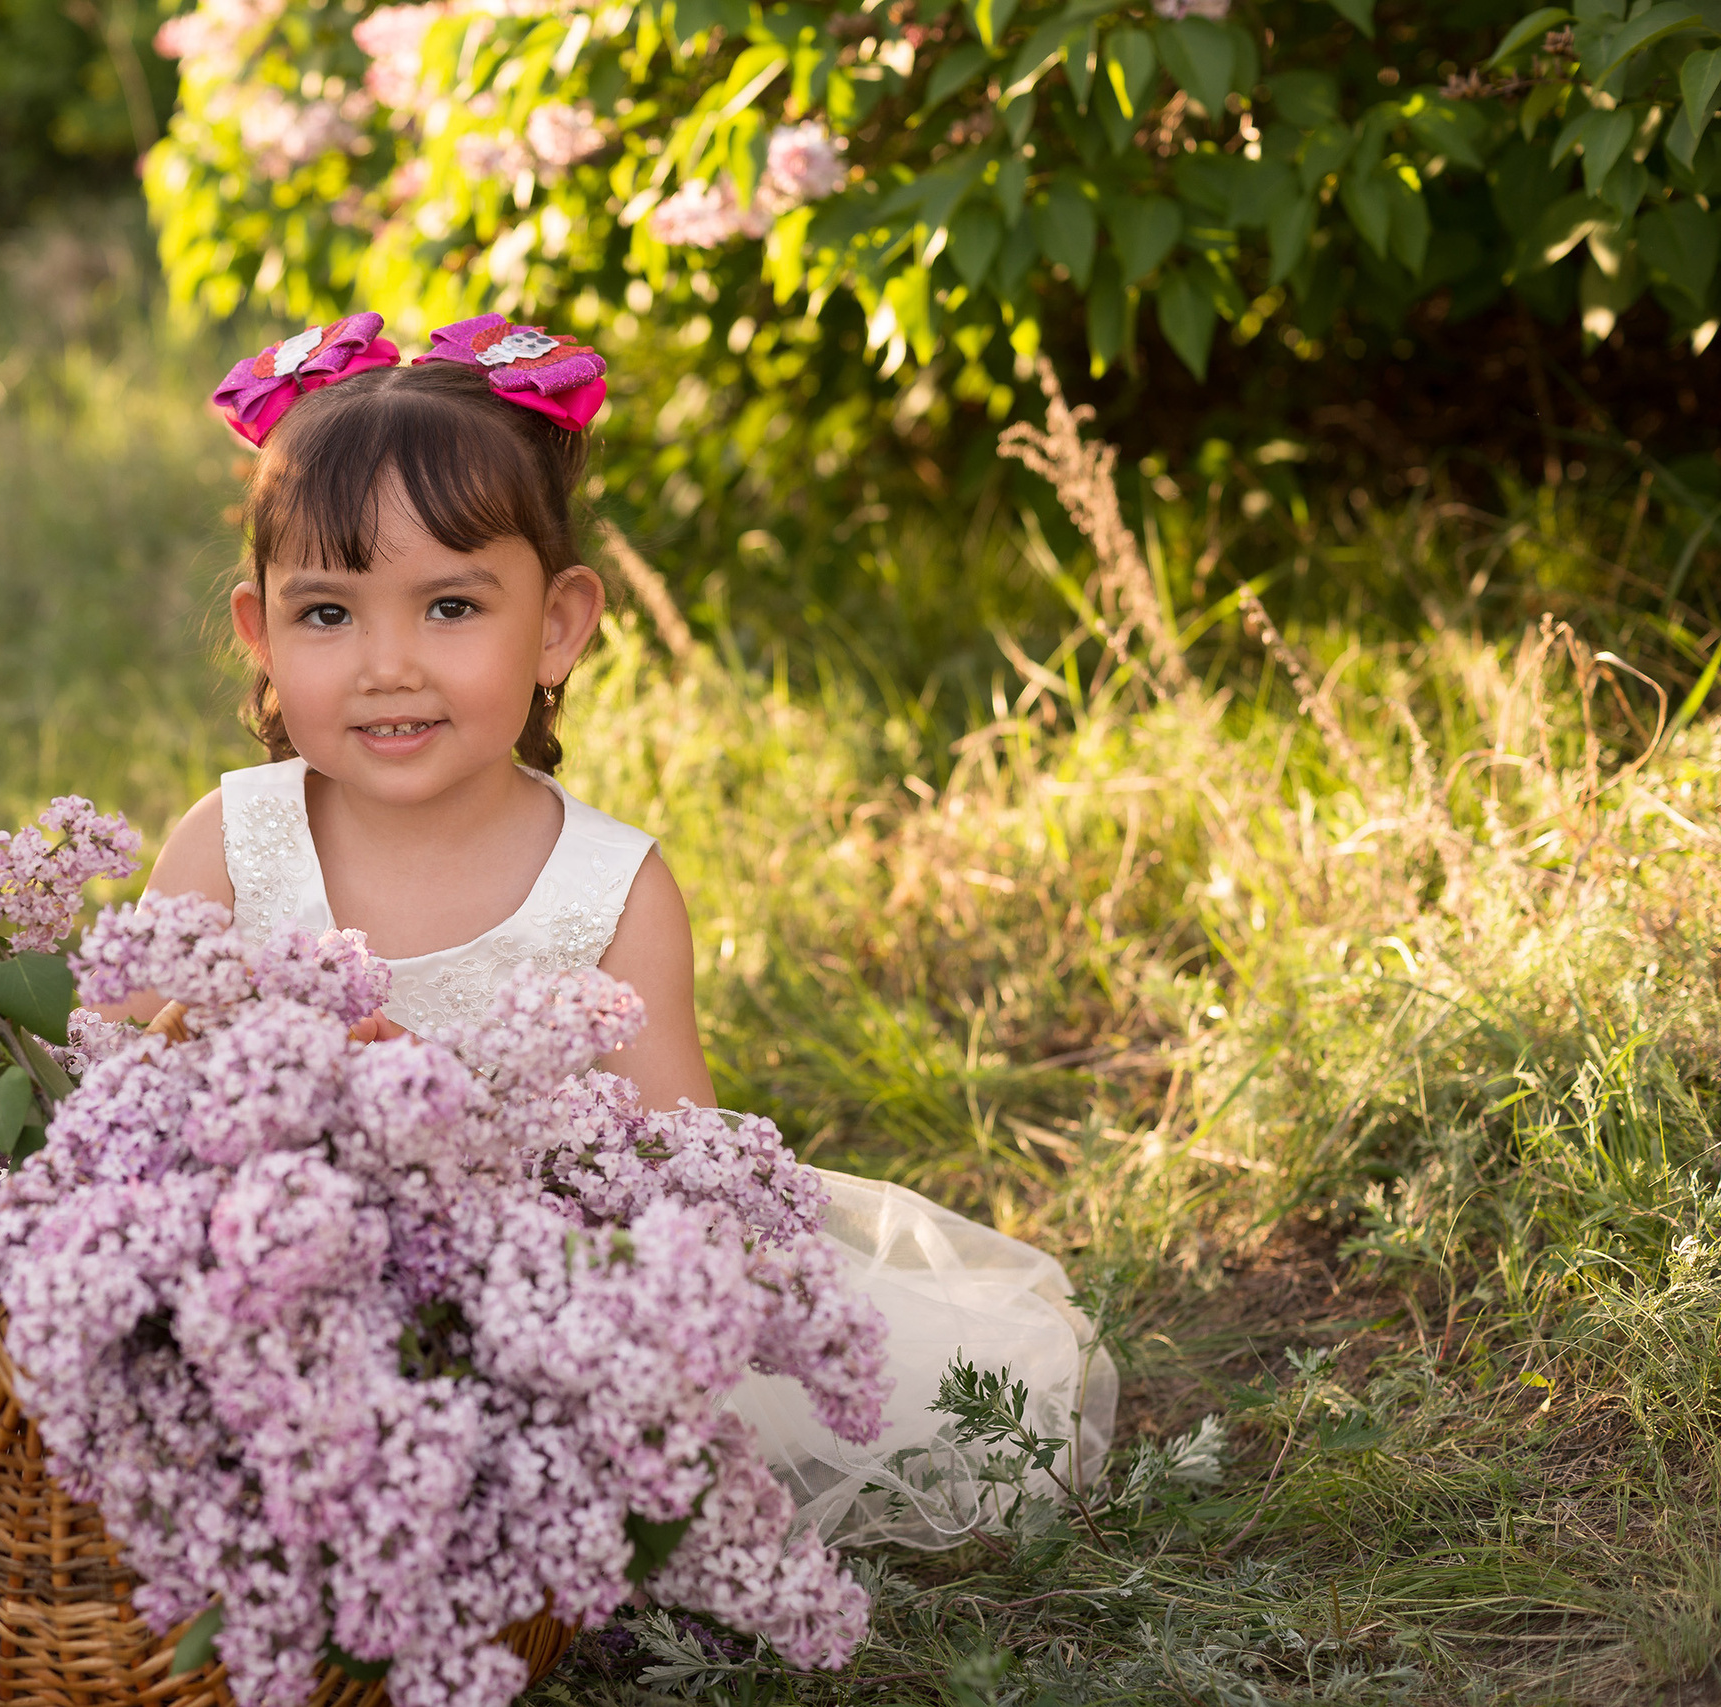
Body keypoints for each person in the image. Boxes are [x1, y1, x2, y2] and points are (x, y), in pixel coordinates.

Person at [106, 310, 1116, 1551]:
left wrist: (462, 1145)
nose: (385, 664)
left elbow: (682, 1190)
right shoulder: (232, 842)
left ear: (558, 626)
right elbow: (99, 1099)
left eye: (449, 607)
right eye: (328, 615)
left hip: (526, 1332)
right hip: (261, 1311)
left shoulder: (606, 890)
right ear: (259, 632)